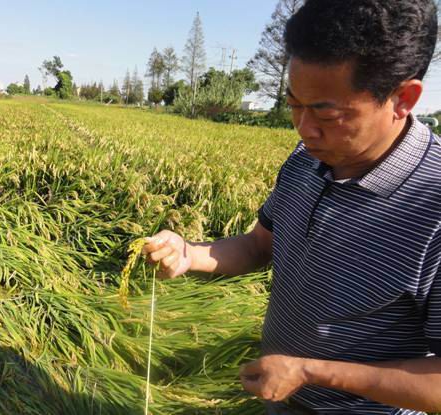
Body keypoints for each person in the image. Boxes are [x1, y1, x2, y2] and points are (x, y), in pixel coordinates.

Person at [142, 0, 441, 413]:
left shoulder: (433, 208)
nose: (303, 128)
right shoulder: (307, 159)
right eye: (294, 104)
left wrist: (310, 372)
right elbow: (258, 247)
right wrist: (187, 253)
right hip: (281, 396)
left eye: (326, 113)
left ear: (403, 98)